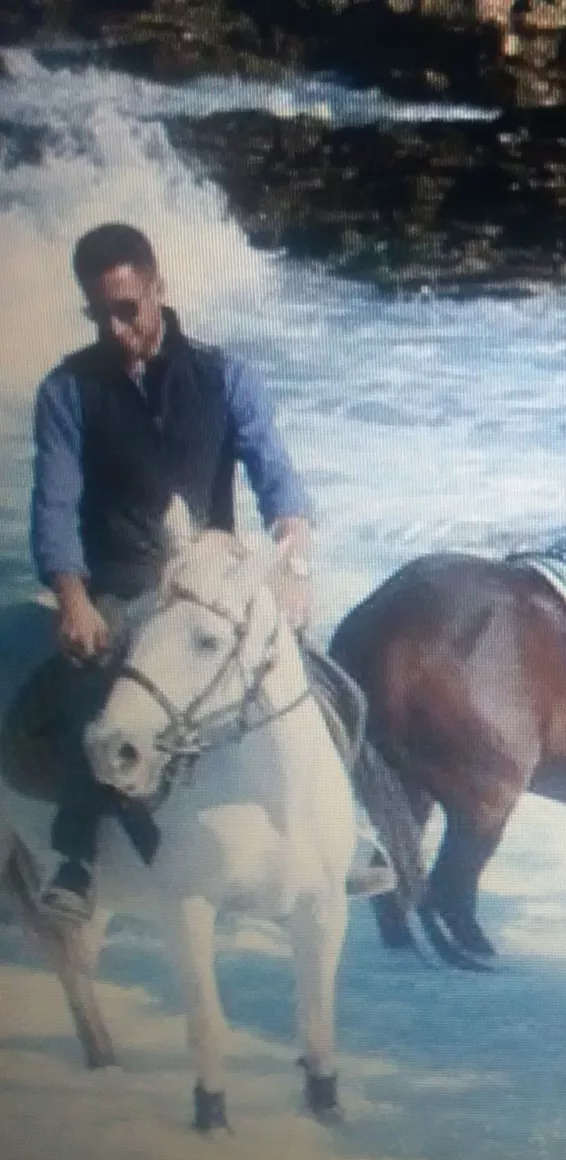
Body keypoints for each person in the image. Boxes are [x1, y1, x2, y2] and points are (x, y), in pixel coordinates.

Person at [19, 222, 315, 922]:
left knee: (306, 668)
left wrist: (294, 564)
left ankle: (342, 828)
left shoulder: (224, 373)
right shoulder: (67, 389)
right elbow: (53, 505)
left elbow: (278, 475)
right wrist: (71, 596)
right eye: (101, 314)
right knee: (101, 689)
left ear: (159, 288)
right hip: (119, 584)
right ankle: (77, 854)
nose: (117, 328)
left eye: (129, 308)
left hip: (213, 578)